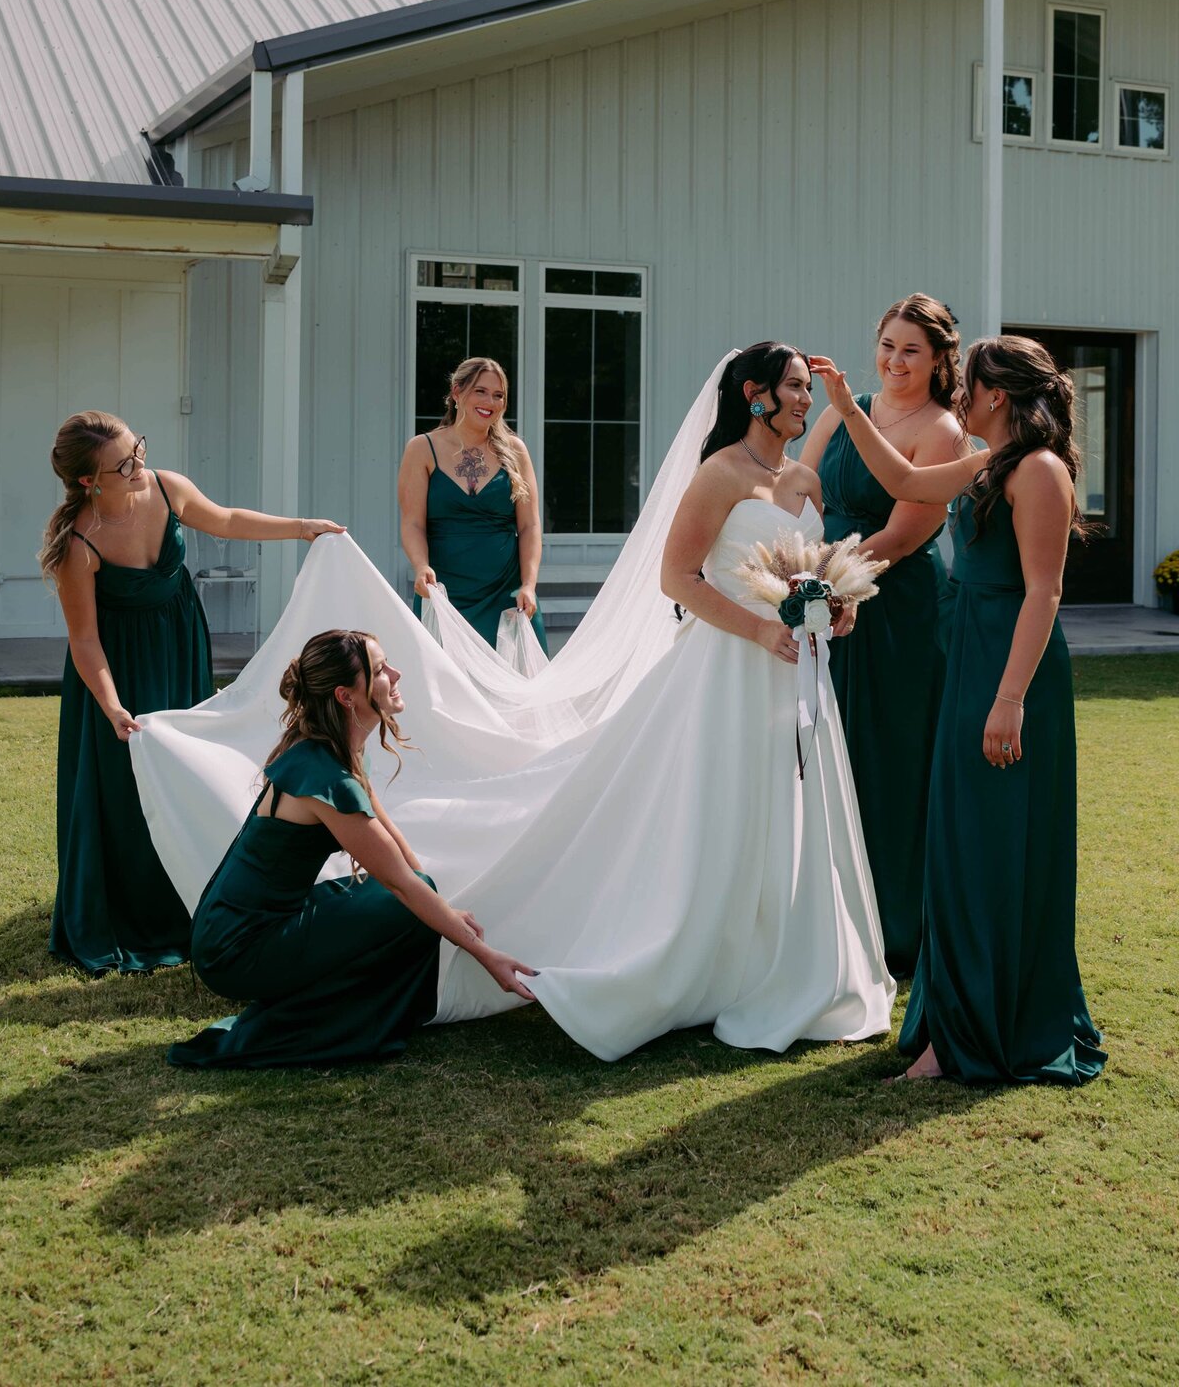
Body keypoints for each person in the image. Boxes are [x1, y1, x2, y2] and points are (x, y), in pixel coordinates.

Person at [136, 343, 895, 1062]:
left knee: (794, 809)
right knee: (724, 809)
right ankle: (713, 955)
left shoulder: (805, 482)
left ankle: (790, 954)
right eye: (794, 385)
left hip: (800, 675)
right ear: (755, 397)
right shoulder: (719, 474)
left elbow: (812, 568)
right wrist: (762, 630)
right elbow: (679, 579)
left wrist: (833, 606)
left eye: (805, 386)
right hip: (731, 666)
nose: (805, 398)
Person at [811, 338, 1106, 1086]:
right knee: (955, 837)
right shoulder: (988, 464)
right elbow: (905, 477)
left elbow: (1044, 592)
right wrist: (847, 406)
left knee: (991, 842)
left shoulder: (1037, 472)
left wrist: (1009, 702)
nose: (958, 395)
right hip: (967, 647)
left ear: (996, 395)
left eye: (967, 385)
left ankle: (981, 1030)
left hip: (1011, 665)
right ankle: (951, 1024)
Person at [40, 412, 344, 975]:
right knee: (123, 785)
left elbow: (225, 520)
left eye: (139, 449)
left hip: (178, 643)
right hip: (118, 666)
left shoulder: (165, 487)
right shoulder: (78, 544)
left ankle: (191, 886)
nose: (140, 465)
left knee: (183, 764)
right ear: (89, 481)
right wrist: (110, 705)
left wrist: (301, 527)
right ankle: (135, 912)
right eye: (124, 463)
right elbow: (84, 641)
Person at [169, 630, 536, 1069]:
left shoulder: (326, 748)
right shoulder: (328, 778)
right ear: (346, 696)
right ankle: (340, 1026)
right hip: (238, 948)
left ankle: (358, 1013)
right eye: (380, 669)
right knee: (410, 906)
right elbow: (399, 885)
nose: (396, 674)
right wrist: (485, 954)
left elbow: (392, 842)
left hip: (241, 926)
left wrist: (434, 901)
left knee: (421, 899)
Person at [800, 294, 961, 976]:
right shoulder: (845, 406)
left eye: (911, 350)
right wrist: (790, 569)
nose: (894, 361)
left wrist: (835, 579)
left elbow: (901, 534)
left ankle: (891, 926)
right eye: (888, 345)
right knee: (815, 749)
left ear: (939, 359)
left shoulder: (944, 431)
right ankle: (817, 919)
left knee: (888, 761)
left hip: (895, 612)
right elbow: (803, 488)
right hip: (819, 596)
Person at [398, 357, 547, 654]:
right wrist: (420, 566)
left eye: (498, 395)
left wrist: (529, 585)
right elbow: (412, 522)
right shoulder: (421, 448)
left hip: (506, 592)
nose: (489, 401)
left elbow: (529, 526)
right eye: (480, 391)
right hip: (444, 591)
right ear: (457, 392)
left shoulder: (516, 451)